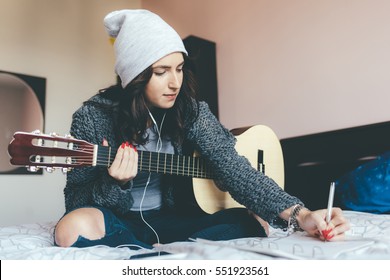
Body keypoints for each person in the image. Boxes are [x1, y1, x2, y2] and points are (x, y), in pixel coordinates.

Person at [54, 9, 350, 249]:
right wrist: (114, 183)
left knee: (253, 221)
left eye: (179, 68)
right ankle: (151, 249)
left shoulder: (190, 110)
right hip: (120, 217)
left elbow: (234, 169)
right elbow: (74, 199)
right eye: (161, 72)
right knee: (70, 228)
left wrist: (302, 214)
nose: (175, 82)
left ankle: (146, 250)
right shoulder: (93, 117)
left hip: (174, 217)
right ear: (134, 77)